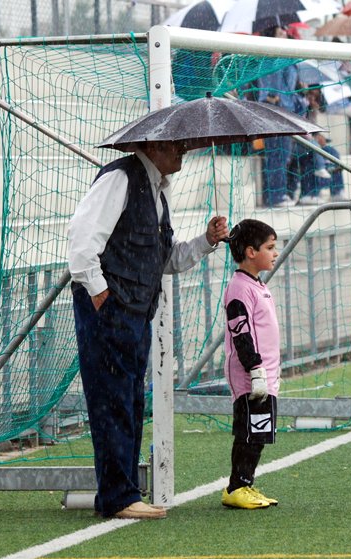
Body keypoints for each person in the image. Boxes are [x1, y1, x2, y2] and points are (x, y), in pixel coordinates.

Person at [68, 139, 229, 520]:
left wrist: (207, 241)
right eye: (176, 145)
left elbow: (165, 260)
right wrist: (102, 296)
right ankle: (117, 497)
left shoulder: (158, 193)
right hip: (112, 310)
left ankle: (123, 493)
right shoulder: (120, 179)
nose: (183, 151)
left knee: (128, 400)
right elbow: (81, 243)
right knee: (112, 400)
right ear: (152, 145)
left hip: (135, 311)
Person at [221, 219, 282, 509]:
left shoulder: (257, 285)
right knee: (248, 431)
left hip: (266, 375)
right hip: (251, 376)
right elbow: (240, 331)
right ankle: (236, 487)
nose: (275, 252)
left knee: (259, 433)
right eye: (269, 247)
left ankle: (246, 483)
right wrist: (256, 371)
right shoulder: (239, 288)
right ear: (250, 251)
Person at [257, 25, 304, 208]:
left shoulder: (287, 57)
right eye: (280, 30)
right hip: (275, 109)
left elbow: (289, 86)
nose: (285, 32)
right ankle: (276, 196)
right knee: (276, 153)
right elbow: (268, 84)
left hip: (287, 109)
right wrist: (270, 96)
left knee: (284, 154)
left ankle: (280, 193)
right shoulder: (270, 57)